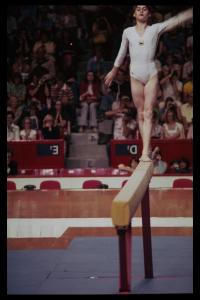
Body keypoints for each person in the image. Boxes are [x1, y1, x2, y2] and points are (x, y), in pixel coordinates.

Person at [105, 5, 193, 161]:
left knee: (149, 113)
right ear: (133, 13)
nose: (141, 10)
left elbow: (175, 21)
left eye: (144, 8)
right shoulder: (128, 32)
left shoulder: (155, 29)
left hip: (151, 73)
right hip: (135, 75)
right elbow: (121, 52)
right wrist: (113, 71)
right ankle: (146, 147)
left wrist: (188, 13)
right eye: (138, 8)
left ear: (149, 14)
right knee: (140, 113)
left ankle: (145, 151)